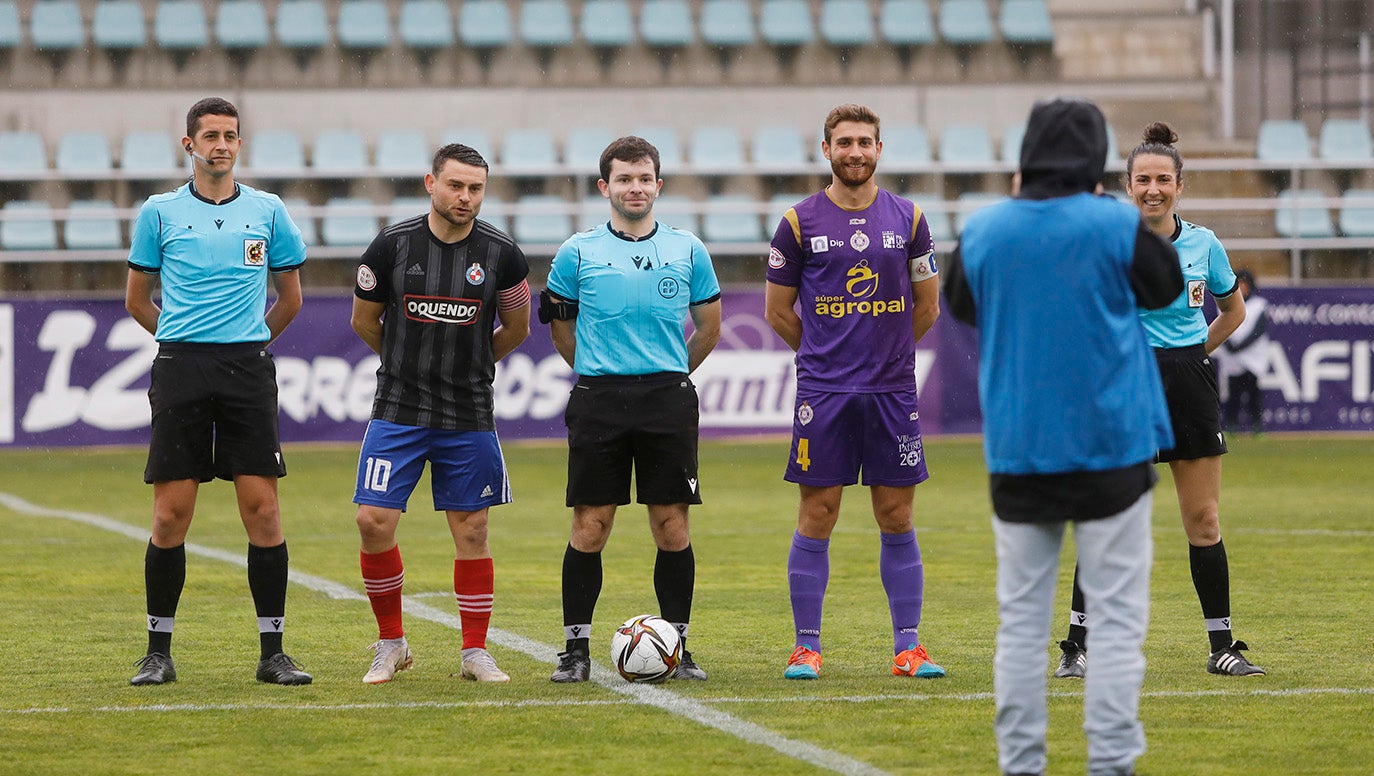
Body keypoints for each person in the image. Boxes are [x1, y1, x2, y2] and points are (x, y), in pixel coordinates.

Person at [942, 96, 1183, 776]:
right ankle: (1111, 762)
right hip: (1113, 444)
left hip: (1021, 448)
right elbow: (1164, 286)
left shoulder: (986, 230)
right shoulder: (1112, 222)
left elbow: (962, 305)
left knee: (1020, 622)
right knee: (1117, 623)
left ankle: (1021, 763)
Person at [1054, 122, 1265, 682]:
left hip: (1188, 387)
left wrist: (1197, 352)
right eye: (1143, 179)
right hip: (1123, 385)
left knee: (1204, 518)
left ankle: (1222, 647)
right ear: (1128, 185)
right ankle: (1077, 646)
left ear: (1179, 185)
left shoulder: (1204, 243)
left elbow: (1232, 310)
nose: (1153, 188)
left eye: (1163, 180)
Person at [124, 97, 311, 686]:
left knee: (262, 509)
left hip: (246, 372)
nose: (221, 145)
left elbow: (291, 297)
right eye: (210, 136)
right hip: (181, 370)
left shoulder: (269, 210)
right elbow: (136, 299)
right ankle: (158, 652)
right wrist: (181, 342)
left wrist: (251, 343)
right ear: (189, 145)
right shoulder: (158, 212)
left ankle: (273, 653)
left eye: (230, 135)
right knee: (171, 513)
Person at [763, 103, 944, 681]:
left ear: (880, 149)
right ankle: (806, 648)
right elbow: (777, 311)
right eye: (845, 142)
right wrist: (824, 355)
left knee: (896, 513)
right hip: (826, 391)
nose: (856, 152)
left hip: (892, 390)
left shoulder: (910, 219)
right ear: (827, 150)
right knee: (819, 512)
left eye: (865, 142)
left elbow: (928, 305)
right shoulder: (798, 222)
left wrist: (888, 355)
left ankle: (909, 649)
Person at [541, 136, 722, 683]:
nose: (635, 188)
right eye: (624, 179)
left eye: (644, 179)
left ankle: (677, 646)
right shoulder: (577, 251)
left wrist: (668, 375)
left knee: (672, 525)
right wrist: (600, 370)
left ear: (658, 186)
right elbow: (561, 329)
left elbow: (709, 328)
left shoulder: (688, 248)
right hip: (599, 400)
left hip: (667, 400)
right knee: (590, 525)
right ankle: (575, 650)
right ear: (605, 187)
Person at [350, 143, 531, 684]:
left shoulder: (503, 254)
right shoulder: (391, 246)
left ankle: (474, 652)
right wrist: (407, 363)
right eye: (456, 185)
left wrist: (471, 365)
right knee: (372, 521)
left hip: (469, 411)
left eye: (476, 188)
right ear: (431, 183)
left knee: (472, 529)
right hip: (398, 407)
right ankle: (391, 644)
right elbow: (364, 320)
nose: (466, 197)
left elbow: (517, 328)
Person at [1217, 270, 1270, 435]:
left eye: (1244, 284)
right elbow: (1219, 327)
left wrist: (1240, 346)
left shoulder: (1259, 305)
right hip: (1232, 358)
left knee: (1253, 392)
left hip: (1252, 356)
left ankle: (1257, 426)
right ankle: (1231, 425)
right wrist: (1229, 345)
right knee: (1233, 393)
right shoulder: (1225, 305)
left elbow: (1259, 330)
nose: (1242, 288)